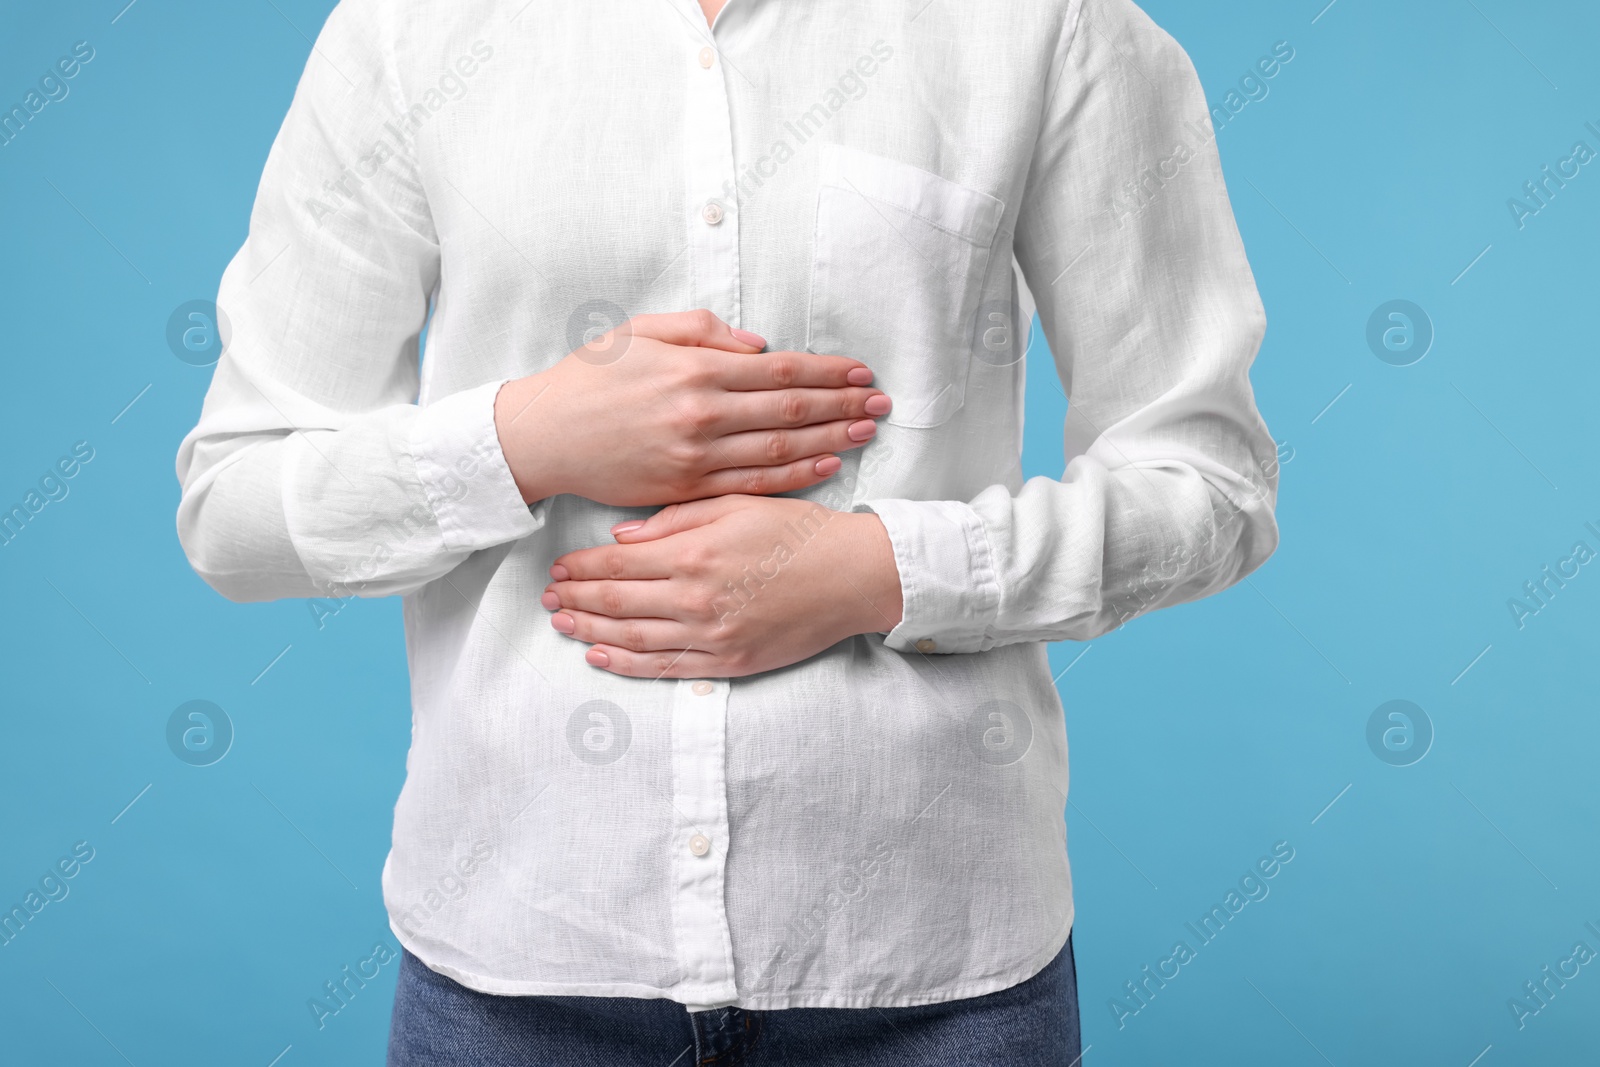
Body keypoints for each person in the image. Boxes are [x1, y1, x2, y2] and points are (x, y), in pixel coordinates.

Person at [175, 0, 1278, 1061]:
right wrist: (526, 439)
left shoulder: (1045, 22)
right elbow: (237, 505)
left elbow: (1209, 485)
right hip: (518, 977)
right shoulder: (409, 29)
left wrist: (877, 570)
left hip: (931, 980)